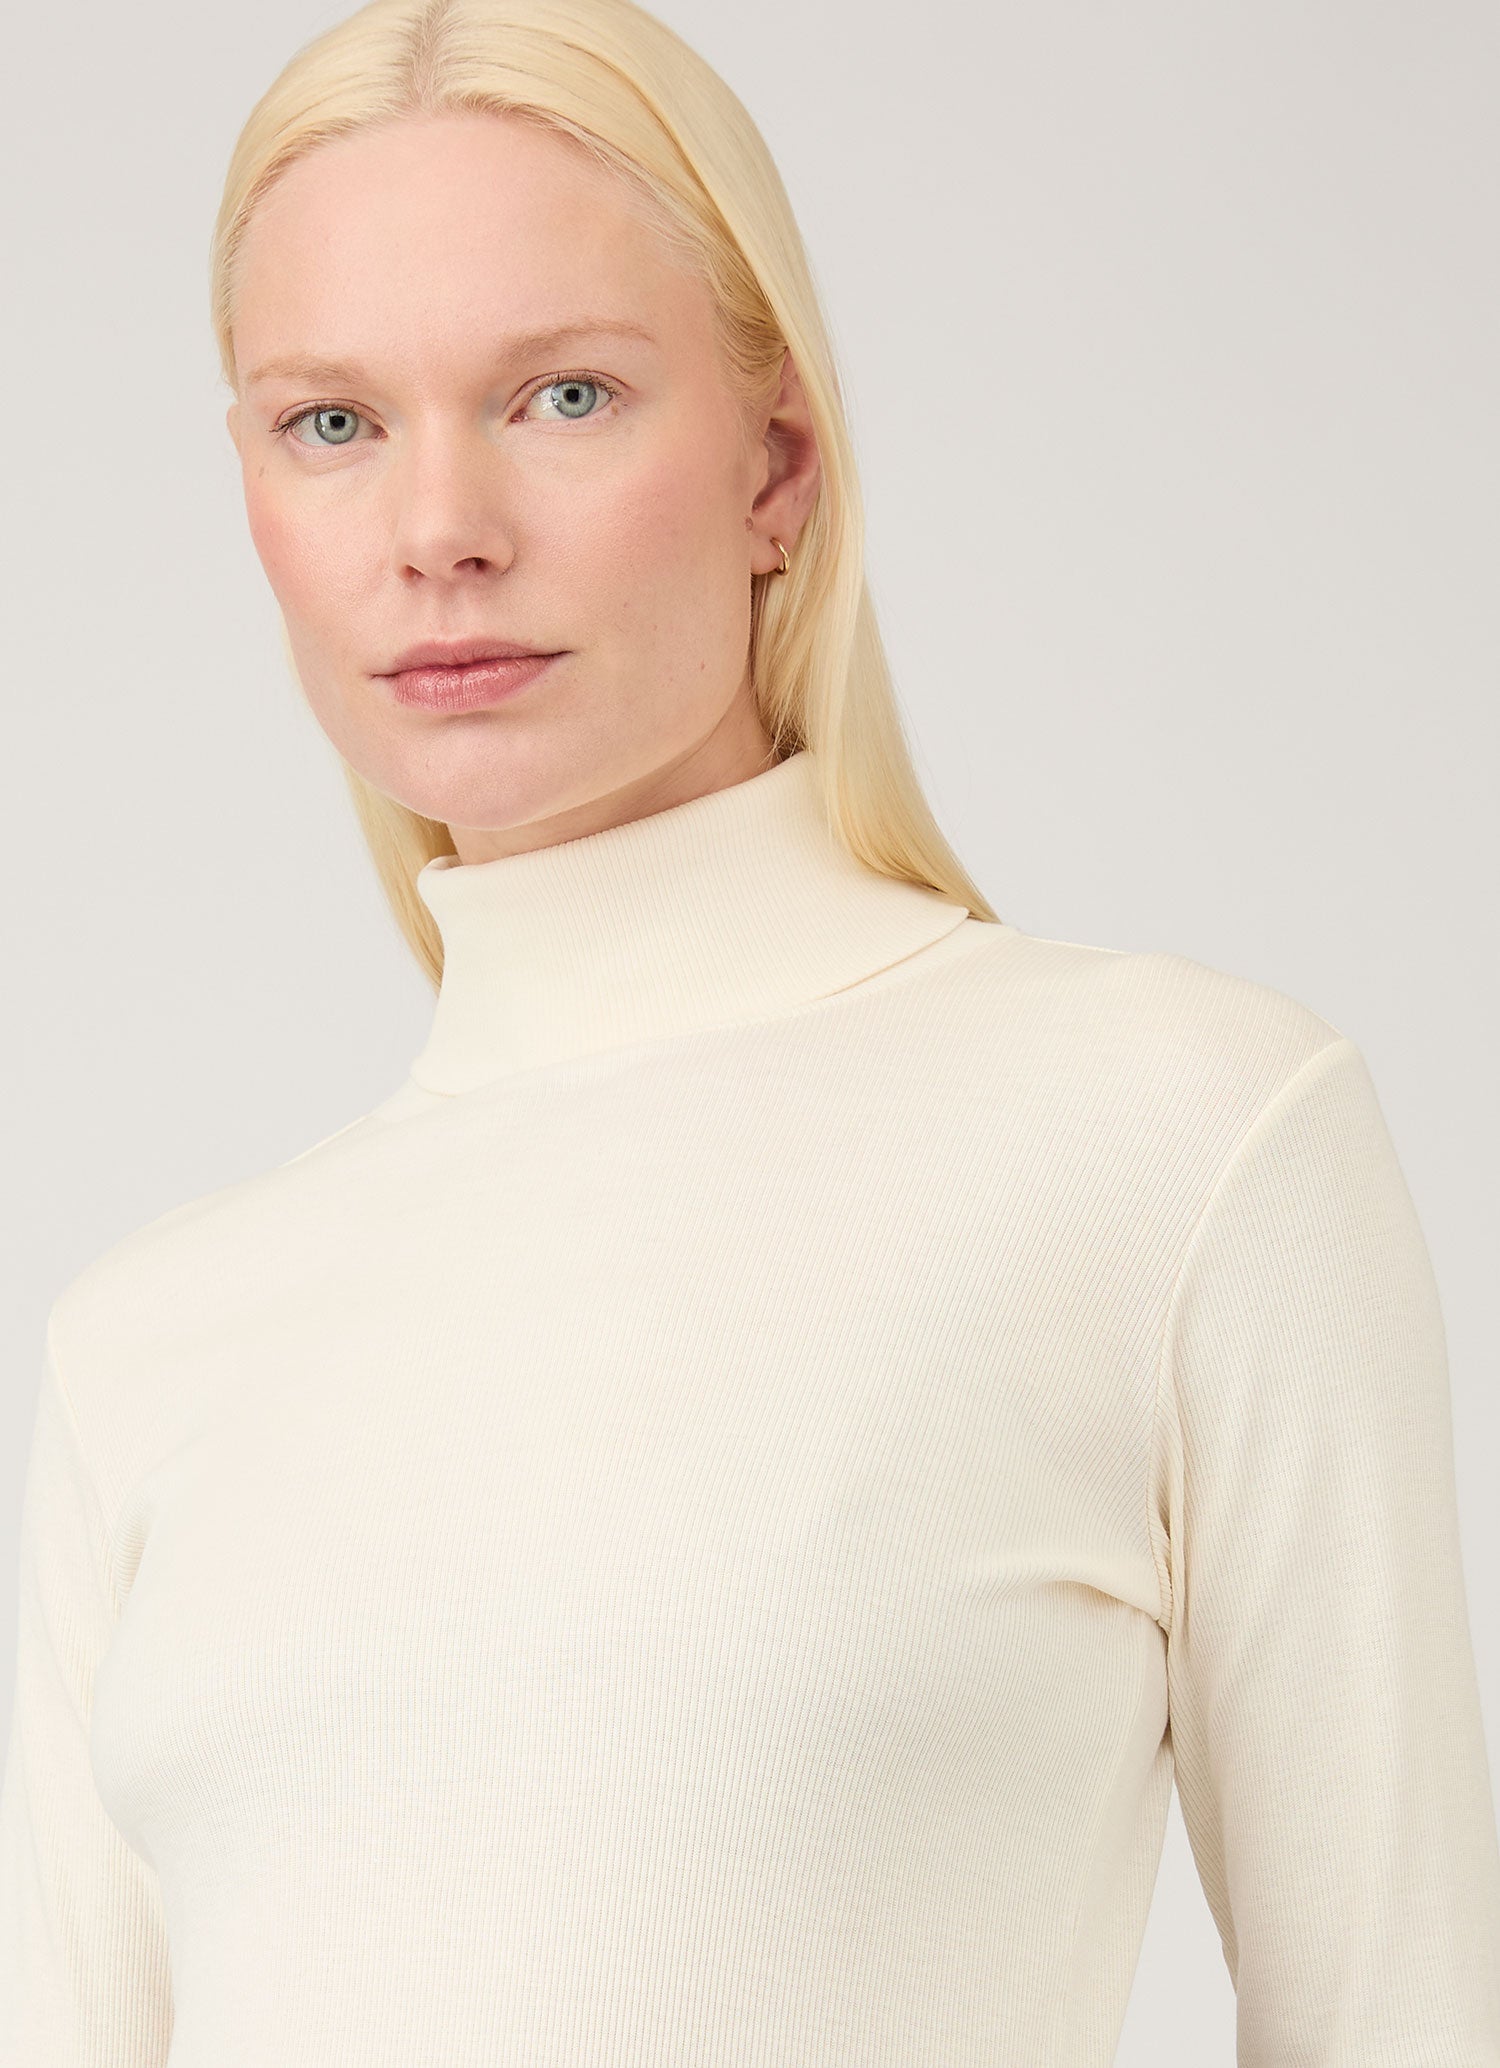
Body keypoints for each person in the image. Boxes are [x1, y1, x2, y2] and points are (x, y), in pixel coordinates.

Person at [3, 0, 1498, 2060]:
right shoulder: (147, 1343)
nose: (439, 527)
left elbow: (1401, 2020)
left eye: (564, 394)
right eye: (330, 422)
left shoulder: (1184, 1137)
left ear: (777, 465)